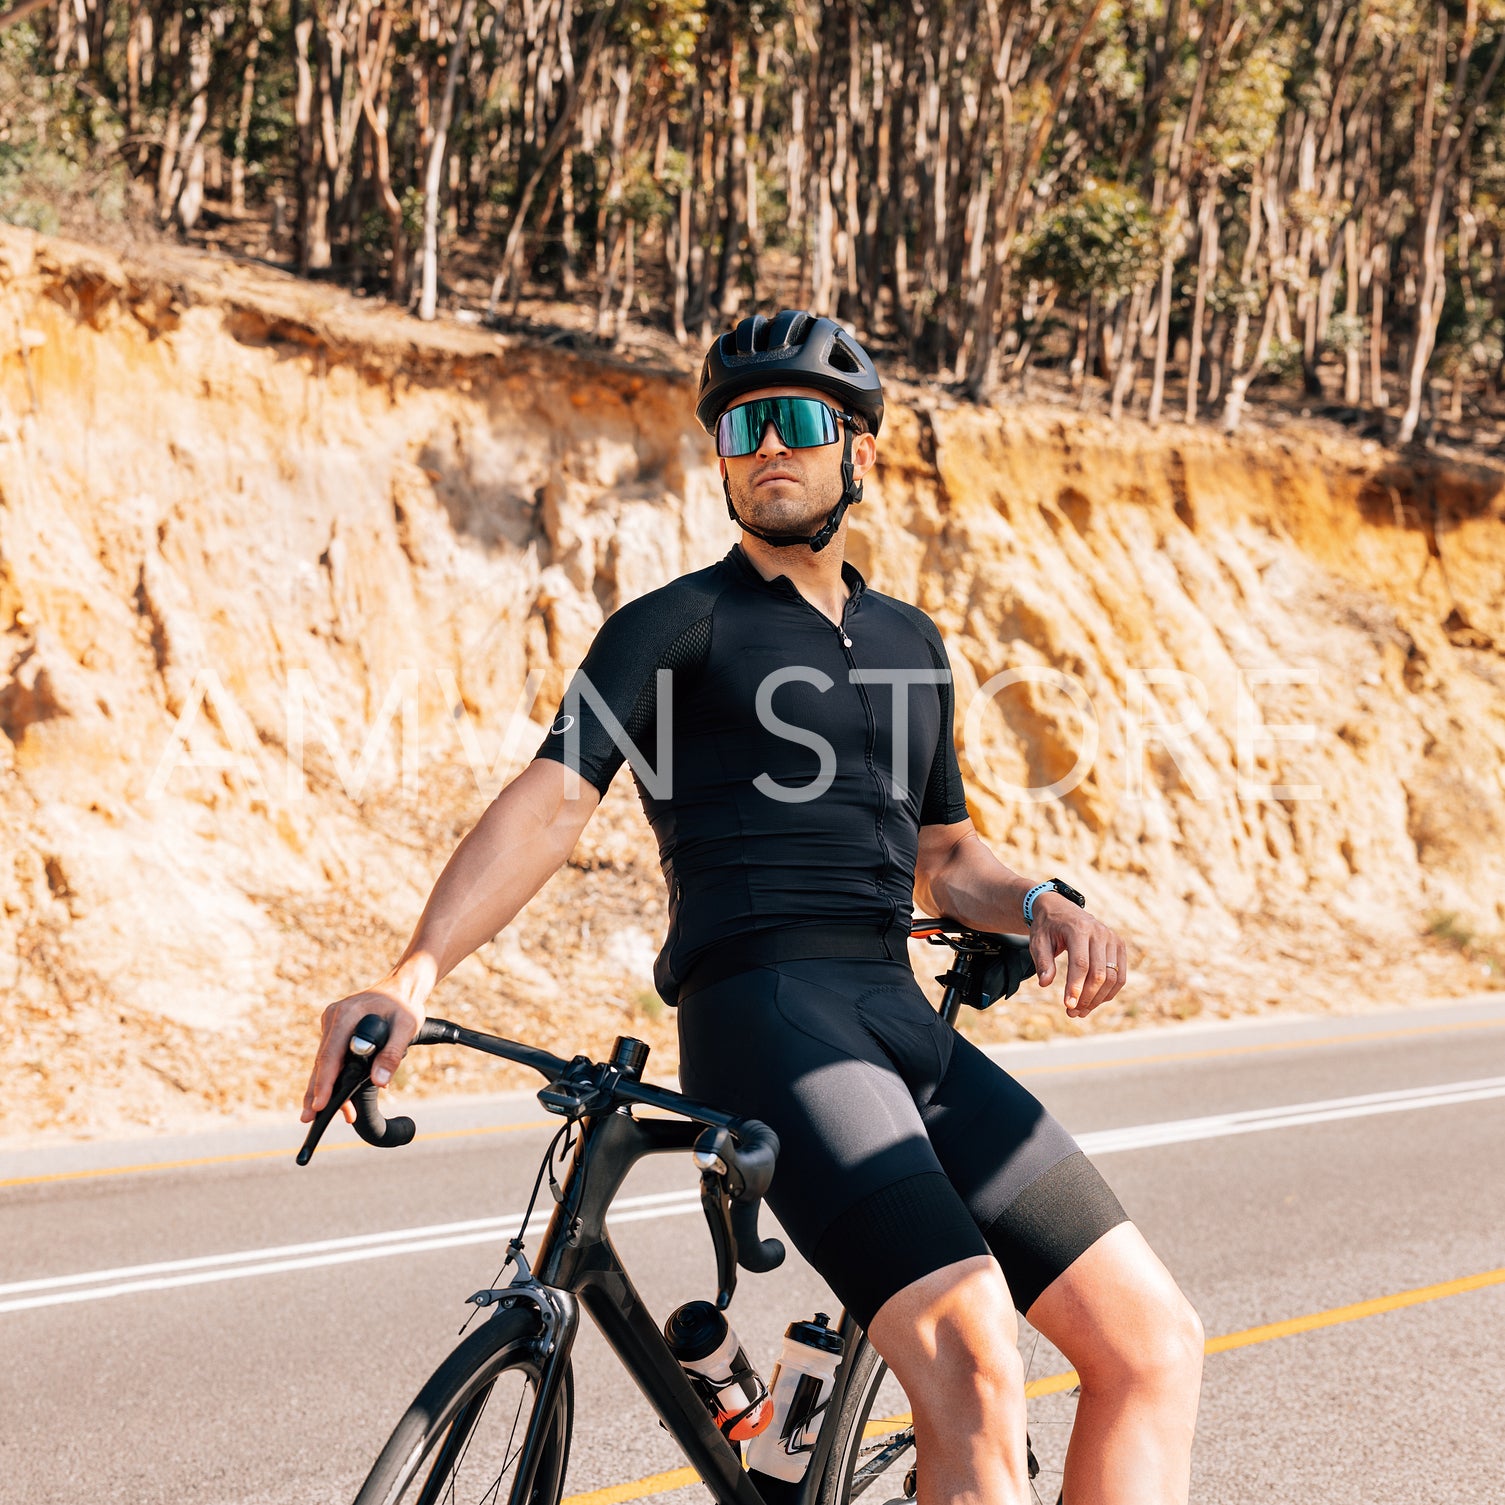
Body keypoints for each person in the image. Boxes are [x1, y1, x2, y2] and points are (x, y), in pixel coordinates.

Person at [302, 311, 1203, 1504]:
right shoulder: (676, 625)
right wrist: (411, 974)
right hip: (767, 1013)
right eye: (739, 425)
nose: (764, 444)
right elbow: (548, 804)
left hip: (900, 1020)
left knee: (1151, 1344)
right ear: (720, 457)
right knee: (971, 1353)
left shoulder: (910, 643)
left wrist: (1036, 897)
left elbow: (944, 851)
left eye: (794, 420)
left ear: (860, 452)